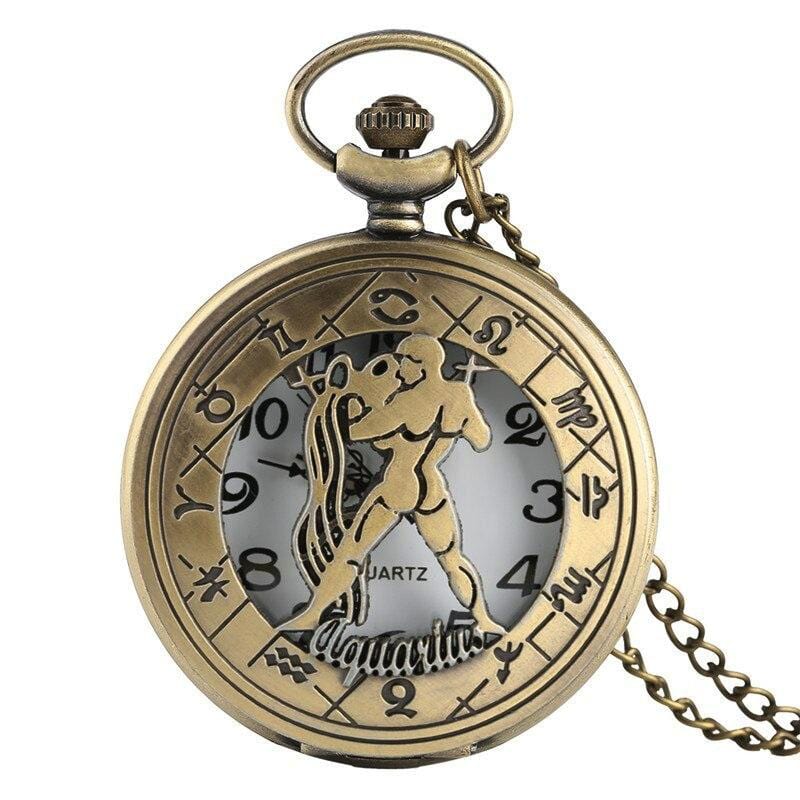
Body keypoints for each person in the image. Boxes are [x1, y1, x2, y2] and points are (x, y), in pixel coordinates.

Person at [283, 335, 504, 635]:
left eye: (403, 363)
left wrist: (353, 402)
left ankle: (312, 615)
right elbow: (482, 439)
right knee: (452, 559)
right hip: (432, 487)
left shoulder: (407, 402)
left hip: (399, 485)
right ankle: (484, 620)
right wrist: (458, 421)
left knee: (350, 553)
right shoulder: (460, 394)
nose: (399, 371)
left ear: (421, 365)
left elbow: (355, 433)